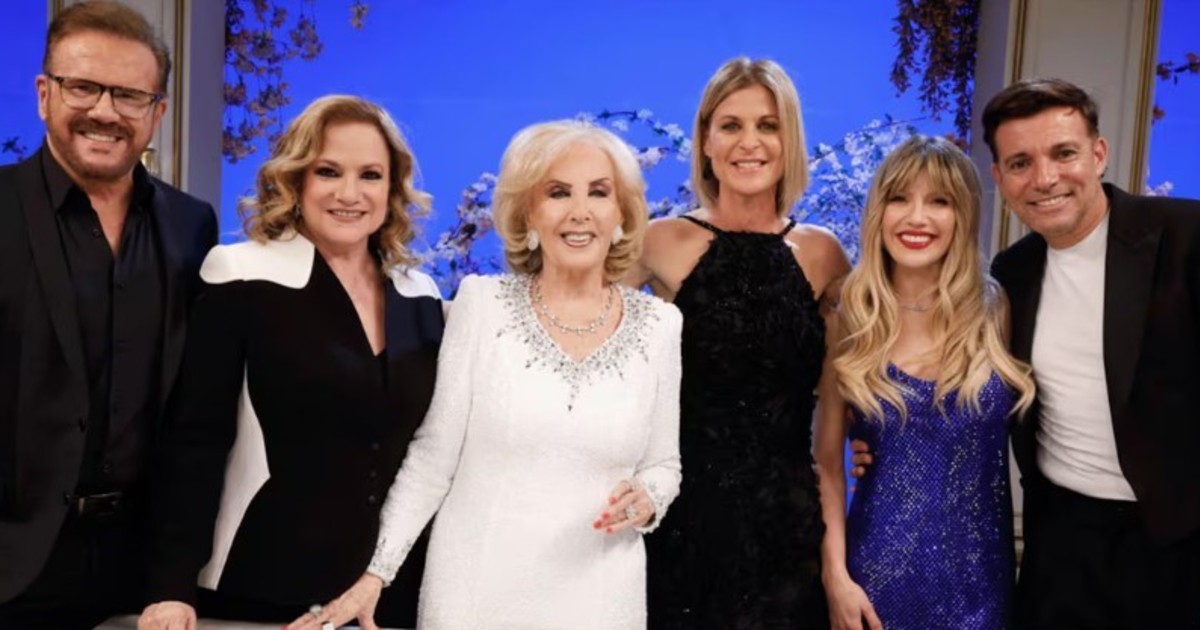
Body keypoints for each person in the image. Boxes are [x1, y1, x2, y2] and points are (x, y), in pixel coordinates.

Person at [292, 120, 682, 630]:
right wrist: (375, 575)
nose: (579, 211)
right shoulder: (481, 305)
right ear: (528, 214)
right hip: (474, 593)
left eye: (599, 192)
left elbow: (664, 464)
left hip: (604, 598)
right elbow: (433, 460)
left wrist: (649, 498)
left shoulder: (661, 326)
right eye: (558, 192)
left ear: (622, 215)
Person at [137, 95, 441, 630]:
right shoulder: (240, 275)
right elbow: (196, 440)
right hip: (265, 583)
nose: (349, 193)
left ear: (392, 189)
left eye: (370, 175)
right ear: (295, 179)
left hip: (387, 596)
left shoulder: (421, 295)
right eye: (328, 171)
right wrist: (171, 586)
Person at [0, 2, 218, 628]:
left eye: (129, 95)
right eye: (83, 87)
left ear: (157, 113)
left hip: (141, 575)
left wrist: (174, 575)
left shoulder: (191, 226)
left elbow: (193, 415)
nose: (105, 110)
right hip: (12, 569)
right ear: (44, 94)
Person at [628, 57, 848, 629]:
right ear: (706, 140)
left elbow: (831, 445)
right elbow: (576, 325)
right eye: (731, 125)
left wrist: (836, 572)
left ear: (789, 140)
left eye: (767, 125)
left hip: (787, 539)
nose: (749, 142)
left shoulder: (825, 255)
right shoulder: (658, 243)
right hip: (681, 530)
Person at [983, 78, 1200, 628]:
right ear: (1000, 178)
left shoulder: (1187, 236)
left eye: (1064, 153)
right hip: (1062, 542)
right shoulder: (1012, 273)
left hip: (1178, 543)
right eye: (1021, 163)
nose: (1045, 179)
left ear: (1098, 154)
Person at [814, 135, 1036, 630]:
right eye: (899, 199)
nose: (917, 218)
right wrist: (836, 578)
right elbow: (827, 464)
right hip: (876, 579)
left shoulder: (993, 308)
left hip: (983, 583)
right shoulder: (850, 313)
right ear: (879, 211)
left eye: (940, 201)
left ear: (963, 216)